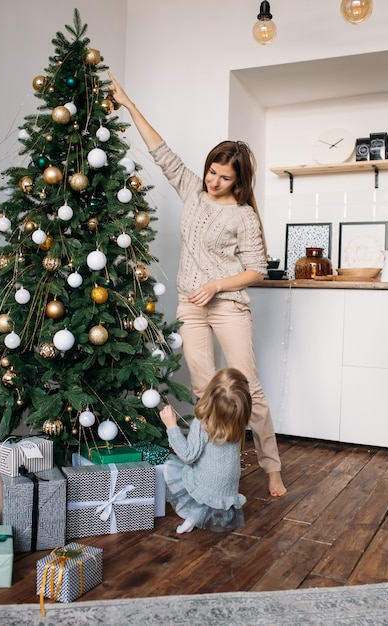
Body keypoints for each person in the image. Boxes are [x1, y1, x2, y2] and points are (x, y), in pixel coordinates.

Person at [108, 72, 287, 498]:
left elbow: (256, 269)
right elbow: (161, 152)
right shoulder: (192, 189)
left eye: (224, 178)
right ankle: (214, 464)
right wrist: (130, 105)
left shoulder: (243, 215)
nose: (213, 181)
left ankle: (271, 467)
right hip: (191, 307)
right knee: (205, 389)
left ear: (239, 182)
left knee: (249, 388)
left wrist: (216, 285)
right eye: (212, 171)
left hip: (228, 306)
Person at [159, 368, 251, 534]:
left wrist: (171, 426)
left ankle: (193, 514)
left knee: (171, 466)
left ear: (209, 393)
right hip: (228, 487)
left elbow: (188, 456)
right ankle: (198, 513)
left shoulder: (203, 423)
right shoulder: (239, 422)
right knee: (210, 479)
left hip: (208, 481)